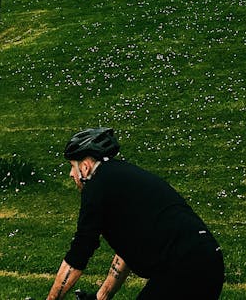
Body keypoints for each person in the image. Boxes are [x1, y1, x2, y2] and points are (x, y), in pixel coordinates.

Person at [45, 128, 224, 300]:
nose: (71, 174)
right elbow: (127, 250)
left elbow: (80, 251)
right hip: (209, 261)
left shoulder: (96, 186)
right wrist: (102, 296)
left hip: (182, 267)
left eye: (72, 166)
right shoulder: (121, 177)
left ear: (85, 167)